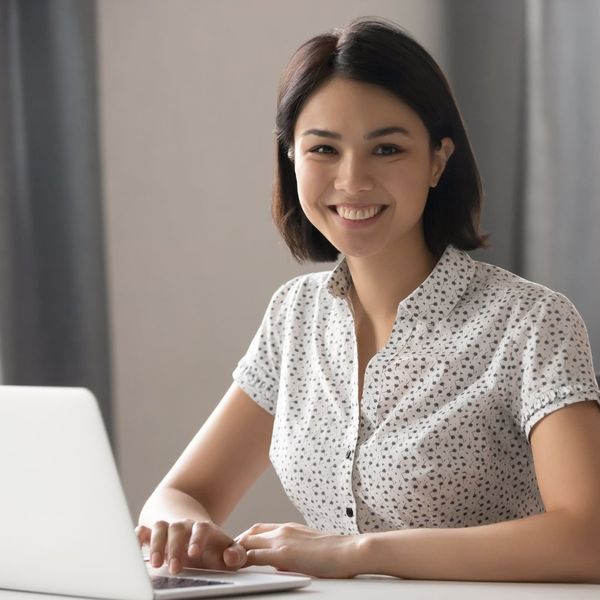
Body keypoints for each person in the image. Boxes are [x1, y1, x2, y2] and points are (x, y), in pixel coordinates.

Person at [136, 17, 600, 582]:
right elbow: (179, 494)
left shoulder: (530, 323)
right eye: (324, 149)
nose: (352, 180)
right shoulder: (294, 316)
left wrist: (358, 552)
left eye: (387, 149)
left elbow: (587, 537)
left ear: (437, 160)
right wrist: (186, 530)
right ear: (291, 158)